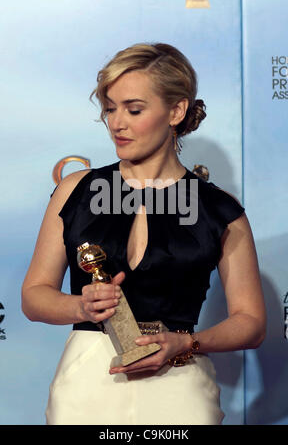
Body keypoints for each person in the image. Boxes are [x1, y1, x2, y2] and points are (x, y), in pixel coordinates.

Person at [21, 43, 266, 425]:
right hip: (87, 382)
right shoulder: (76, 190)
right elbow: (34, 296)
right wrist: (80, 307)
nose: (117, 123)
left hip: (179, 382)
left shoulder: (219, 209)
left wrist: (187, 344)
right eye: (110, 108)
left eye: (134, 109)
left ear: (176, 111)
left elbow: (250, 321)